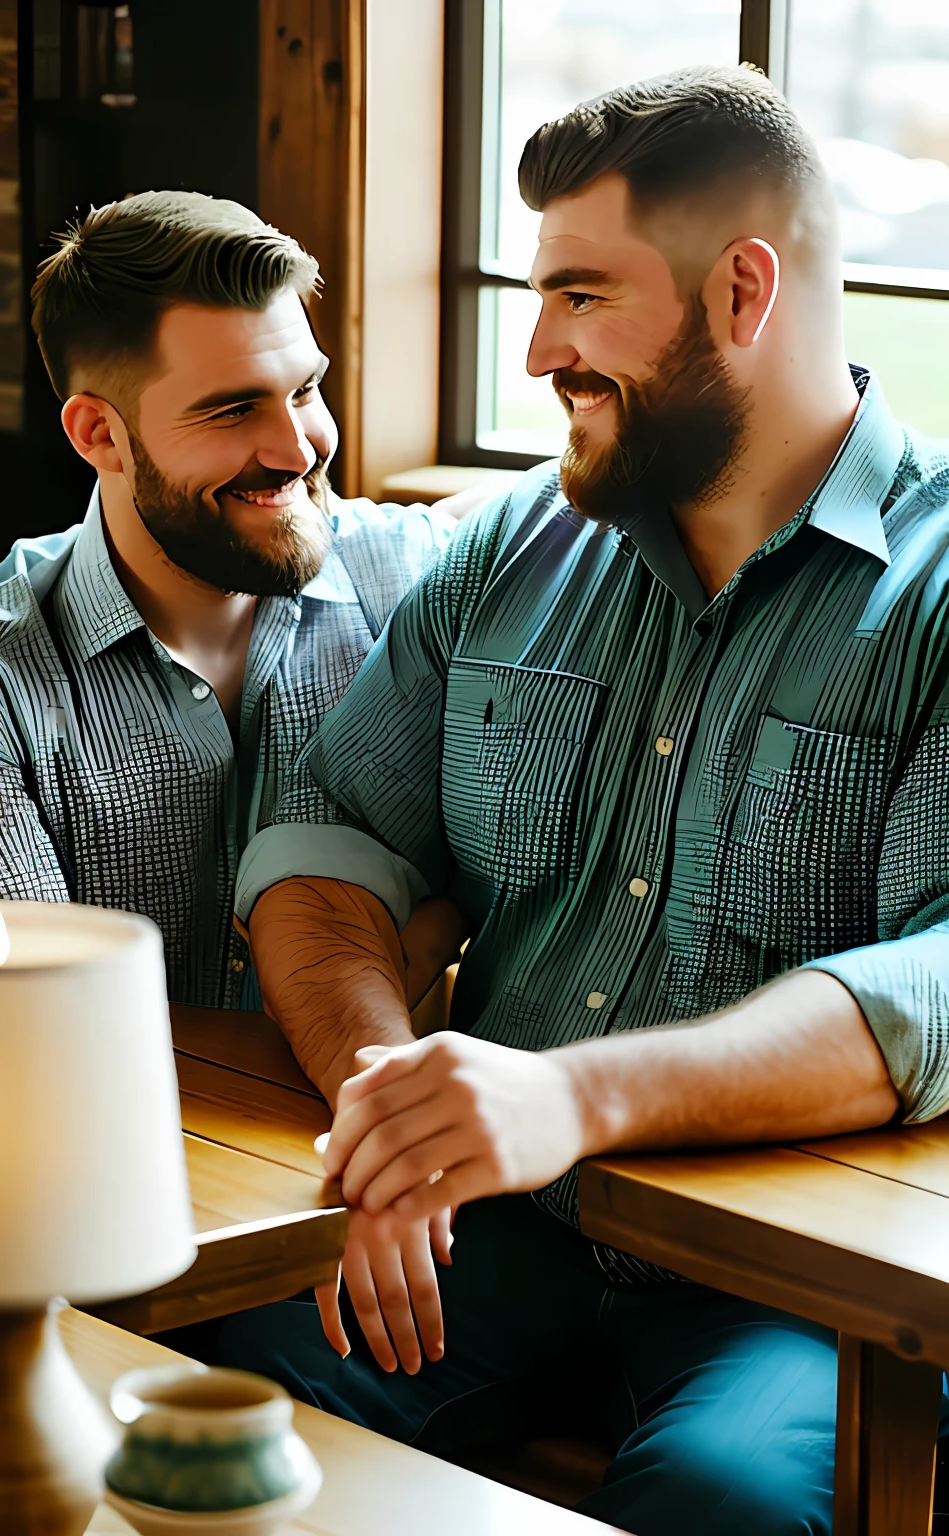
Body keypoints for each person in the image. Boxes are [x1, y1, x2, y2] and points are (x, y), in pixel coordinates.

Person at [216, 66, 949, 1535]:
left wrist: (571, 1097)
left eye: (581, 294)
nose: (540, 345)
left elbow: (939, 981)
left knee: (724, 1503)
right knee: (208, 1395)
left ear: (744, 292)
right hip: (493, 1232)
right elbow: (319, 851)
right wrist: (386, 1110)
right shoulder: (510, 550)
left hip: (793, 1287)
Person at [0, 189, 467, 1010]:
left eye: (305, 391)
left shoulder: (416, 579)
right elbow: (34, 1031)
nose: (297, 449)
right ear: (98, 435)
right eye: (233, 409)